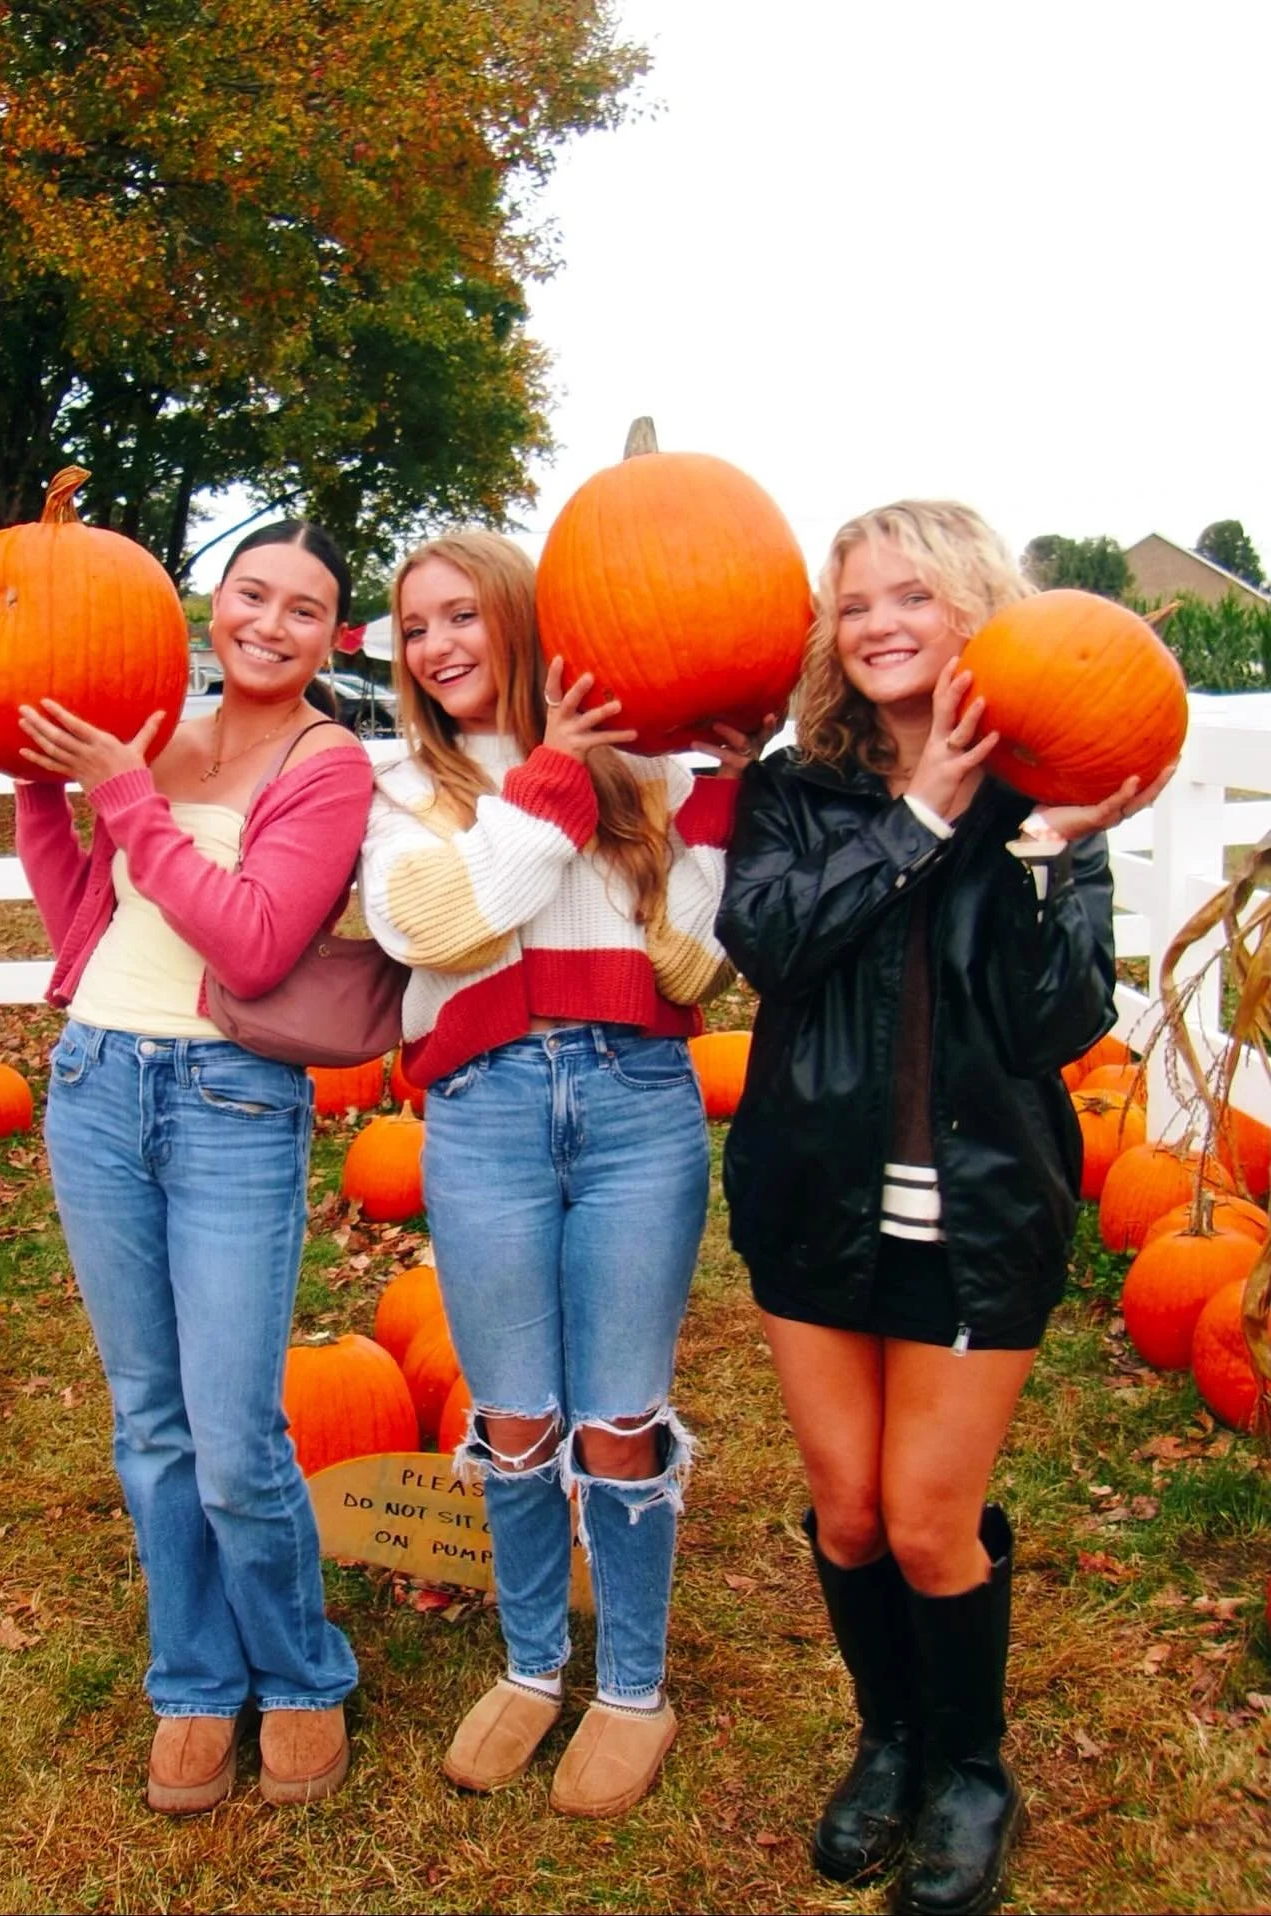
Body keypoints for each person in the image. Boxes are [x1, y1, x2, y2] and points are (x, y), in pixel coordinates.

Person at [716, 501, 1167, 1915]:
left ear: (974, 609)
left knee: (926, 1521)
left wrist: (1036, 854)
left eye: (912, 595)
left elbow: (1055, 1023)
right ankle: (891, 1742)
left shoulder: (1051, 801)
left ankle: (973, 1770)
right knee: (846, 1510)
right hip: (813, 1199)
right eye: (856, 606)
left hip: (977, 1210)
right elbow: (770, 940)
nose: (883, 625)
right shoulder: (798, 791)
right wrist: (919, 817)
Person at [359, 530, 766, 1817]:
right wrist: (549, 775)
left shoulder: (647, 763)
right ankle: (535, 1665)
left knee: (620, 1413)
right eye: (415, 627)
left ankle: (633, 1687)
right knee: (519, 1410)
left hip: (638, 1100)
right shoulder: (405, 790)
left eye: (462, 616)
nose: (437, 648)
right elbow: (440, 924)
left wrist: (716, 806)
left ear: (524, 621)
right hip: (481, 1111)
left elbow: (694, 967)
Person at [15, 521, 370, 1815]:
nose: (269, 624)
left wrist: (128, 798)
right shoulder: (151, 725)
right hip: (97, 1086)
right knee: (150, 1419)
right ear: (214, 601)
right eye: (252, 594)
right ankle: (193, 1680)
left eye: (304, 610)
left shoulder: (328, 766)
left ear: (337, 637)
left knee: (233, 1436)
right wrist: (40, 795)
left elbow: (259, 940)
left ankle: (302, 1672)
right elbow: (83, 917)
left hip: (228, 1100)